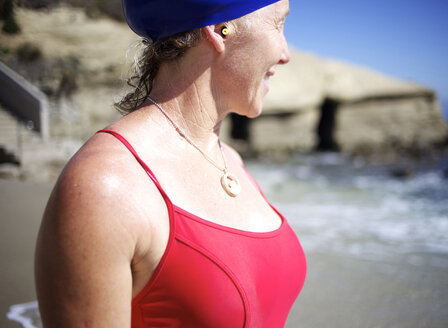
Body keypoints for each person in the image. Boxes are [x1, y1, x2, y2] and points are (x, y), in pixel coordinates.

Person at [35, 0, 306, 326]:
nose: (285, 54)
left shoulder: (231, 159)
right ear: (221, 31)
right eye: (278, 24)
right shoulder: (106, 187)